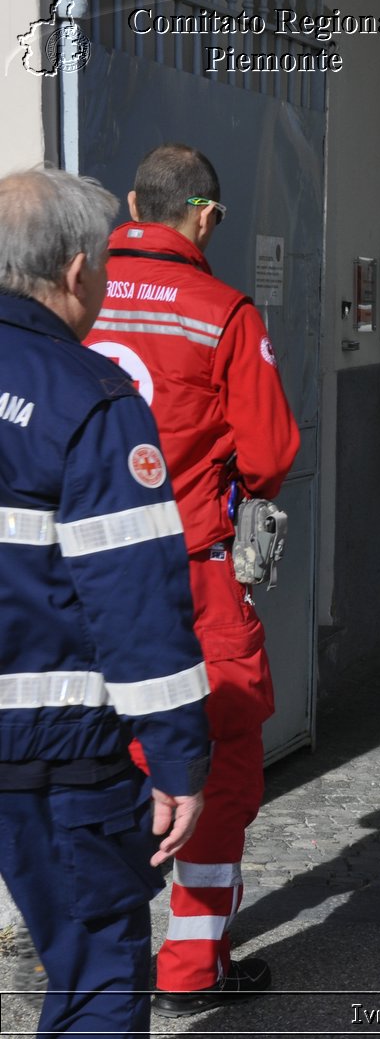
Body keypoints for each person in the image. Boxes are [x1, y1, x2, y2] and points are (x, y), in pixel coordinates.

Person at [83, 143, 300, 1016]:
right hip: (188, 575)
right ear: (204, 218)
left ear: (133, 202)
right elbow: (272, 452)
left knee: (93, 755)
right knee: (222, 752)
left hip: (80, 573)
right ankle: (190, 965)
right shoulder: (221, 310)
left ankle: (97, 955)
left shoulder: (72, 294)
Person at [0, 165, 210, 1036]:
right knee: (94, 967)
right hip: (55, 753)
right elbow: (137, 603)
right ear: (79, 271)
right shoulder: (90, 402)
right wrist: (178, 761)